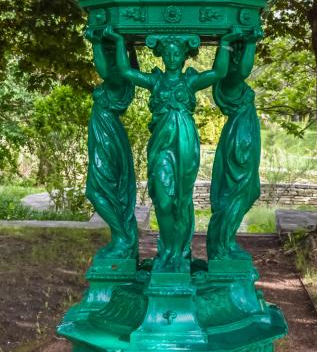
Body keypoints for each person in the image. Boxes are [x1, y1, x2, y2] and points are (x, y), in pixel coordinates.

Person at [106, 28, 244, 272]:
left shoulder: (189, 81)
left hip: (185, 145)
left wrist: (225, 43)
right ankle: (167, 248)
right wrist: (118, 41)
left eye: (176, 54)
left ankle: (178, 253)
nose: (171, 58)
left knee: (181, 200)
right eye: (167, 54)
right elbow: (127, 71)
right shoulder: (155, 81)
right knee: (163, 198)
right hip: (161, 146)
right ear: (162, 55)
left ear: (183, 56)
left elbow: (219, 72)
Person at [207, 30, 261, 260]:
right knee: (238, 191)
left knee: (246, 191)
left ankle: (225, 240)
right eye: (235, 55)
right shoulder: (229, 81)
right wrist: (249, 42)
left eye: (241, 54)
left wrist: (238, 44)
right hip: (241, 140)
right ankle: (224, 243)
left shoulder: (231, 81)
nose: (240, 60)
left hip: (243, 135)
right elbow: (244, 70)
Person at [85, 29, 138, 259]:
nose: (106, 56)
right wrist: (127, 46)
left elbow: (103, 68)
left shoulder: (117, 77)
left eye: (110, 52)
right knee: (105, 189)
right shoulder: (125, 77)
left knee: (97, 190)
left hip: (107, 135)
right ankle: (121, 236)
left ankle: (121, 237)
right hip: (105, 133)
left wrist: (98, 41)